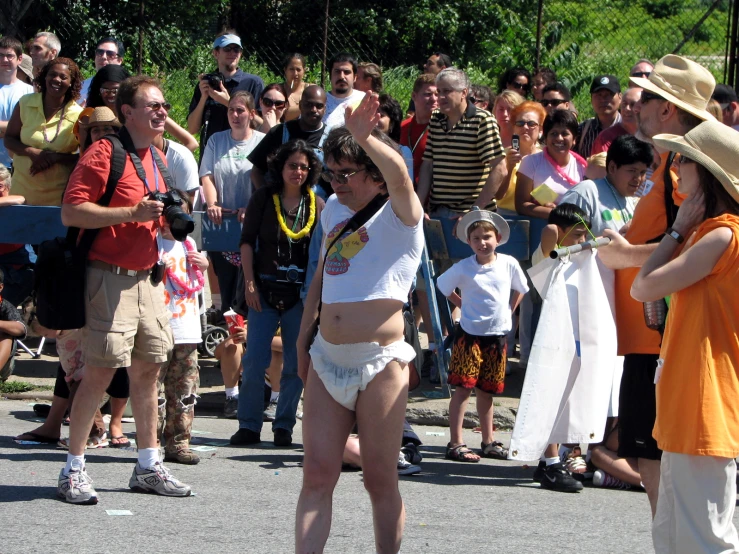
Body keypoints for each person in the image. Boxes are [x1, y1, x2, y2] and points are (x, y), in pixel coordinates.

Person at [295, 93, 423, 553]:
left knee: (378, 479)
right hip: (326, 355)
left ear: (373, 174)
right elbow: (322, 279)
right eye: (330, 172)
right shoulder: (332, 211)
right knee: (317, 474)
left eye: (346, 173)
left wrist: (367, 136)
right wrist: (302, 341)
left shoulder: (401, 216)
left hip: (380, 361)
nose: (336, 182)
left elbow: (401, 176)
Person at [58, 75, 190, 504]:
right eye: (152, 106)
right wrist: (131, 211)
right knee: (99, 372)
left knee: (149, 370)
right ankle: (73, 470)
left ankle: (148, 466)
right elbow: (71, 212)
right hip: (107, 277)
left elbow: (158, 216)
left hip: (147, 277)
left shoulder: (159, 158)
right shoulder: (105, 153)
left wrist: (167, 219)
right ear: (127, 113)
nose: (162, 111)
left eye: (164, 105)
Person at [596, 54, 716, 518]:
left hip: (663, 333)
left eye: (646, 97)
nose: (636, 106)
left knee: (659, 464)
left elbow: (704, 243)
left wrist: (627, 255)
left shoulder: (684, 164)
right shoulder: (668, 160)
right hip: (651, 334)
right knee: (651, 463)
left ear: (667, 109)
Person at [631, 120, 739, 554]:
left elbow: (644, 285)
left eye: (684, 160)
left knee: (705, 541)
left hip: (704, 404)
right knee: (675, 538)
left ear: (707, 173)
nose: (675, 169)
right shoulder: (710, 232)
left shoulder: (723, 234)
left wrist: (676, 230)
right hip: (689, 404)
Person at [230, 140, 324, 447]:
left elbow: (322, 254)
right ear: (281, 167)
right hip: (263, 289)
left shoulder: (317, 205)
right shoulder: (263, 198)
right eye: (292, 165)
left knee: (296, 365)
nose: (297, 172)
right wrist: (250, 284)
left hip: (300, 294)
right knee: (256, 360)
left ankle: (283, 425)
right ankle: (249, 424)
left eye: (303, 167)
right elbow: (246, 242)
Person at [437, 209, 528, 463]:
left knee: (488, 391)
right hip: (469, 336)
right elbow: (443, 286)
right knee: (463, 389)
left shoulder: (509, 263)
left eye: (487, 236)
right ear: (469, 242)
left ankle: (488, 441)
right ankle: (456, 442)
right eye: (476, 238)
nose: (482, 242)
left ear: (497, 238)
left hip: (497, 337)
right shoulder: (464, 267)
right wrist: (462, 303)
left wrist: (510, 310)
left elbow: (521, 288)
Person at [528, 203, 591, 493]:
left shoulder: (581, 261)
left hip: (575, 339)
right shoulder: (547, 257)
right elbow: (551, 230)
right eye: (578, 234)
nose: (583, 239)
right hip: (551, 340)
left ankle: (548, 458)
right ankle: (551, 462)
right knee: (550, 400)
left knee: (564, 403)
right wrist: (563, 227)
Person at [200, 91, 264, 311]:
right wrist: (212, 204)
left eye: (240, 110)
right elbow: (207, 176)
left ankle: (250, 340)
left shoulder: (262, 142)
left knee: (251, 292)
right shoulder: (216, 141)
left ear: (252, 113)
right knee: (227, 289)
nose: (235, 115)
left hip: (252, 226)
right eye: (231, 110)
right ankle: (230, 336)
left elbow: (267, 183)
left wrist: (252, 208)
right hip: (223, 225)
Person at [157, 191, 208, 465]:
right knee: (155, 391)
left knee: (185, 390)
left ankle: (179, 443)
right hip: (159, 328)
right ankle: (151, 443)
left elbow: (198, 283)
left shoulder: (189, 244)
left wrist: (205, 264)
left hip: (187, 330)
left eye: (183, 213)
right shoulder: (152, 242)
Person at [417, 68, 506, 221]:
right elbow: (428, 165)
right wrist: (418, 207)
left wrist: (474, 212)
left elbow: (500, 168)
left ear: (464, 93)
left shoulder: (482, 120)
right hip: (437, 213)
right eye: (439, 91)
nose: (441, 97)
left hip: (471, 217)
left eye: (447, 91)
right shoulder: (436, 119)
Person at [3, 57, 83, 206]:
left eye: (63, 77)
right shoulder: (25, 103)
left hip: (58, 198)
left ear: (71, 82)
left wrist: (55, 158)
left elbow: (83, 157)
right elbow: (9, 139)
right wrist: (32, 152)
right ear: (45, 76)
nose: (57, 79)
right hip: (21, 195)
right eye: (52, 74)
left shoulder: (78, 114)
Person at [187, 32, 264, 156]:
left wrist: (228, 103)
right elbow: (192, 129)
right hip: (212, 155)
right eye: (227, 49)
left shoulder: (253, 83)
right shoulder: (207, 83)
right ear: (216, 53)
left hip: (242, 155)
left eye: (236, 49)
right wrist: (203, 98)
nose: (232, 53)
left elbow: (262, 126)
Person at [562, 134, 653, 237]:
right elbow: (562, 242)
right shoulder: (585, 193)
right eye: (632, 171)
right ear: (612, 168)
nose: (638, 179)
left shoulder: (630, 201)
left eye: (642, 172)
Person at [249, 85, 327, 190]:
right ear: (300, 106)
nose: (314, 109)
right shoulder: (278, 132)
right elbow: (256, 172)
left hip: (319, 204)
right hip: (280, 203)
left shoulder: (331, 137)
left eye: (319, 106)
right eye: (308, 104)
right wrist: (266, 199)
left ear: (325, 109)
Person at [515, 109, 587, 219]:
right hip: (539, 230)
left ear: (574, 140)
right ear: (546, 137)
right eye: (554, 133)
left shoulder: (582, 167)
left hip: (574, 231)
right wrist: (555, 214)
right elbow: (521, 205)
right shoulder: (530, 162)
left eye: (565, 134)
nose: (559, 138)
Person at [496, 100, 546, 214]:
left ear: (541, 130)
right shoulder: (503, 155)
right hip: (507, 216)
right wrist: (509, 167)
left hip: (536, 214)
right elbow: (499, 195)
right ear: (514, 128)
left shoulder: (546, 157)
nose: (525, 127)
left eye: (531, 124)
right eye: (520, 123)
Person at [0, 37, 33, 170]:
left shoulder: (30, 92)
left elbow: (30, 127)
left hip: (18, 164)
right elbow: (22, 127)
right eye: (1, 55)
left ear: (19, 59)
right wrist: (14, 129)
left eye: (9, 56)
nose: (4, 60)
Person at [399, 74, 438, 185]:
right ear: (414, 96)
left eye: (437, 94)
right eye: (428, 94)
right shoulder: (403, 127)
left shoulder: (443, 128)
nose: (434, 99)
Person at [574, 75, 622, 157]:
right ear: (591, 99)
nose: (603, 99)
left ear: (620, 97)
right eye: (598, 95)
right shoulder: (582, 130)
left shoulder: (629, 128)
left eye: (609, 94)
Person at [591, 87, 642, 155]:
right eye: (624, 104)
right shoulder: (606, 138)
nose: (627, 108)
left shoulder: (651, 134)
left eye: (633, 104)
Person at [323, 52, 365, 131]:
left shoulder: (364, 100)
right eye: (337, 71)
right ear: (330, 76)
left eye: (347, 72)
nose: (342, 76)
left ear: (355, 77)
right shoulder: (320, 101)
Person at [0, 267, 27, 382]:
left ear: (0, 287)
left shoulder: (4, 306)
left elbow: (21, 328)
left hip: (3, 365)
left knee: (6, 335)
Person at [377, 93, 413, 179]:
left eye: (381, 116)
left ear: (392, 123)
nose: (374, 119)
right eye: (370, 114)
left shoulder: (403, 152)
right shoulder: (356, 149)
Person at [78, 37, 124, 104]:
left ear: (119, 60)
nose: (104, 57)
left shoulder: (128, 89)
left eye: (110, 54)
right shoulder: (81, 88)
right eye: (100, 52)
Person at [282, 53, 312, 122]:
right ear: (285, 70)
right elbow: (283, 115)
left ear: (304, 71)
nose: (295, 73)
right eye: (291, 69)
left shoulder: (310, 89)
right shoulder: (278, 90)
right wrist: (307, 105)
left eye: (298, 70)